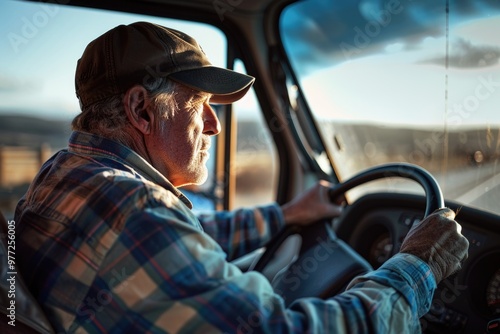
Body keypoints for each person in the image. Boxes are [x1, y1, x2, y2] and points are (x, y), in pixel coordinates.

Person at [14, 22, 468, 333]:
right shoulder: (135, 211)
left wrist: (288, 214)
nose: (213, 125)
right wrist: (416, 268)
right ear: (140, 109)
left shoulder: (67, 174)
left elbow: (183, 236)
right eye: (199, 103)